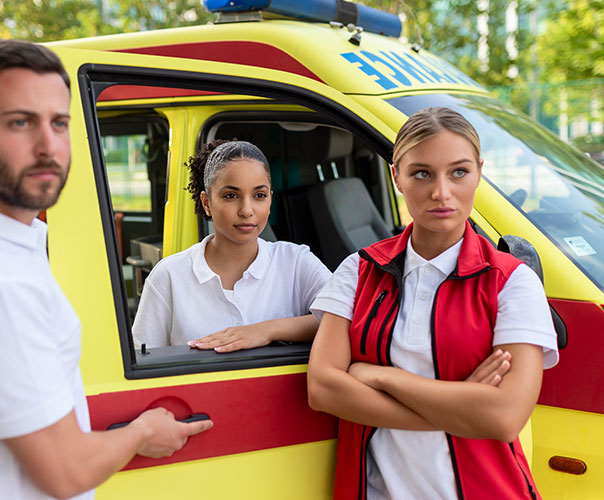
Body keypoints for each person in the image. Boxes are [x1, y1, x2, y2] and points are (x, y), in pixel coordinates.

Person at [0, 39, 211, 500]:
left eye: (60, 123)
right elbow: (64, 471)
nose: (48, 146)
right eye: (21, 122)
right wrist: (143, 432)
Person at [307, 107, 558, 500]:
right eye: (422, 173)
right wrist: (462, 410)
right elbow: (323, 388)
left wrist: (381, 376)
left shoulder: (511, 282)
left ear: (479, 172)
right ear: (397, 177)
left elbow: (504, 417)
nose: (442, 192)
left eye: (458, 172)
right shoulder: (358, 270)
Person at [132, 140, 331, 352]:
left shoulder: (295, 261)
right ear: (207, 203)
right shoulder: (169, 275)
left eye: (259, 195)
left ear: (270, 200)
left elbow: (348, 316)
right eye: (231, 196)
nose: (247, 210)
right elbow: (142, 361)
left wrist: (267, 330)